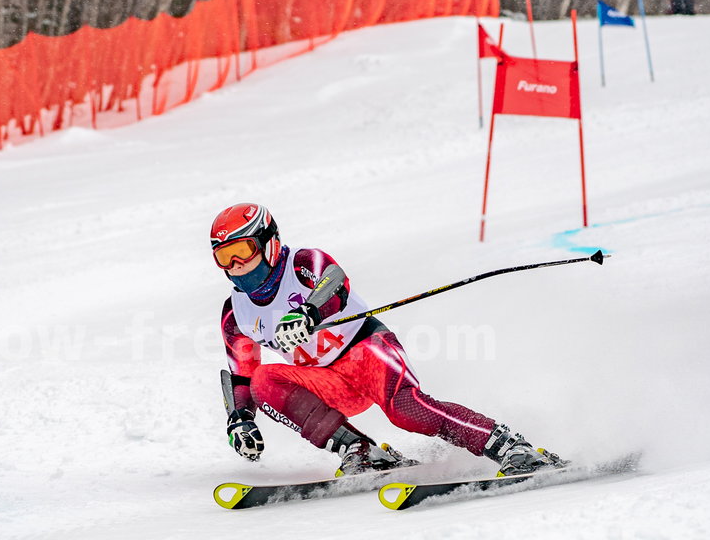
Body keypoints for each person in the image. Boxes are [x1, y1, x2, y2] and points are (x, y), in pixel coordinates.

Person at [211, 203, 565, 477]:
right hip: (328, 382)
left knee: (406, 411)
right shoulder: (236, 313)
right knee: (265, 381)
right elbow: (242, 376)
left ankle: (507, 445)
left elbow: (335, 282)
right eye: (224, 257)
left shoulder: (303, 263)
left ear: (269, 244)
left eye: (244, 250)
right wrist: (240, 418)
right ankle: (361, 450)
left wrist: (308, 314)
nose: (237, 264)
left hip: (367, 352)